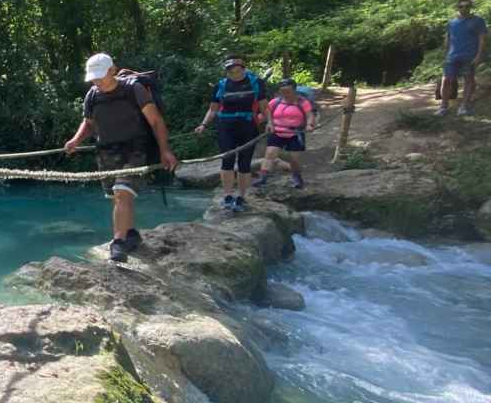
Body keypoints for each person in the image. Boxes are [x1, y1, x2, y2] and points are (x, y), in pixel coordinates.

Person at [64, 53, 178, 262]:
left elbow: (156, 122)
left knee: (122, 192)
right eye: (93, 77)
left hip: (135, 149)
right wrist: (75, 141)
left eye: (100, 75)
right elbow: (89, 123)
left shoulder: (134, 89)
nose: (96, 80)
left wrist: (165, 150)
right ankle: (131, 234)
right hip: (106, 151)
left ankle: (118, 243)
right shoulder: (92, 95)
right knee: (118, 197)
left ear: (112, 70)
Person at [195, 56, 267, 213]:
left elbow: (264, 107)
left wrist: (271, 123)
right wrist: (203, 124)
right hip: (226, 126)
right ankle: (227, 196)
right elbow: (213, 109)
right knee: (227, 161)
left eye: (237, 71)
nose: (235, 74)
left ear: (244, 69)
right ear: (227, 72)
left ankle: (241, 197)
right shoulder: (221, 85)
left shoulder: (256, 83)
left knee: (244, 163)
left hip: (248, 126)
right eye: (231, 72)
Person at [252, 78, 315, 189]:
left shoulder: (303, 103)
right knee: (269, 155)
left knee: (294, 159)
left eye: (288, 91)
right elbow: (266, 113)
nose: (285, 93)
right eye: (283, 91)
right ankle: (263, 177)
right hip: (277, 132)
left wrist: (310, 125)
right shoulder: (275, 102)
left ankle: (296, 177)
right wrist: (253, 121)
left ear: (294, 90)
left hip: (296, 133)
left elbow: (310, 115)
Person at [437, 0, 486, 116]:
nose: (464, 8)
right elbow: (448, 38)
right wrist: (446, 54)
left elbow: (482, 40)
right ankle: (443, 106)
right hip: (452, 56)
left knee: (468, 81)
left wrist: (479, 56)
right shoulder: (452, 22)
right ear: (457, 7)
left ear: (471, 7)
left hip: (469, 57)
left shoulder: (478, 21)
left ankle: (463, 107)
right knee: (446, 80)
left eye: (467, 6)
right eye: (461, 6)